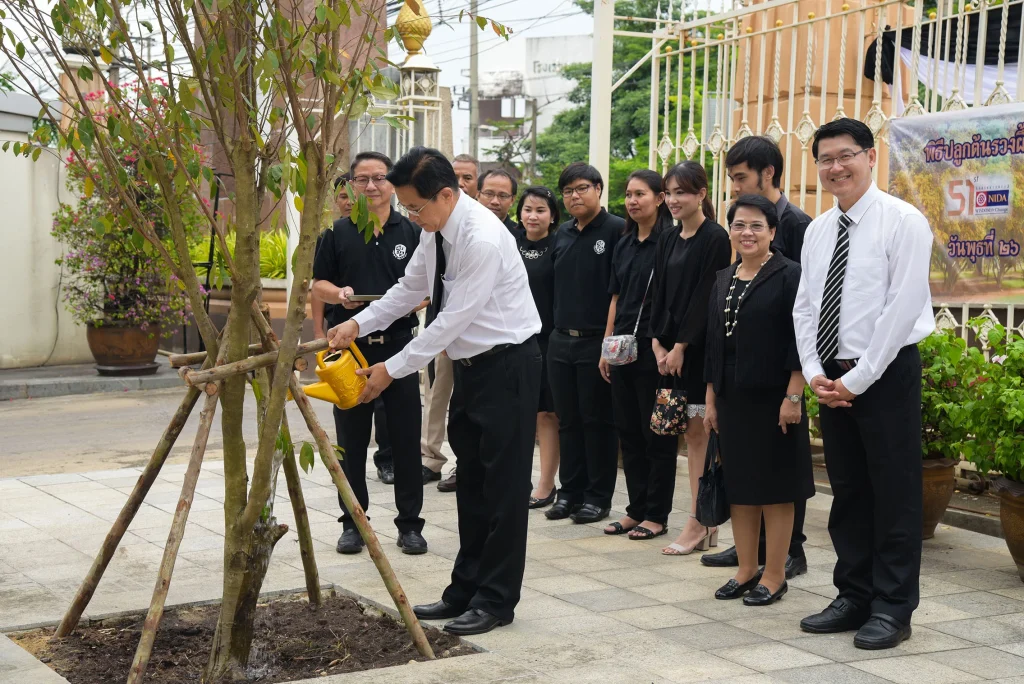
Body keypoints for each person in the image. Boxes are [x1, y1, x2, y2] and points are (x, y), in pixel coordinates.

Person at [327, 146, 542, 637]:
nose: (410, 216)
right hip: (470, 368)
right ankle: (464, 590)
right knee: (472, 485)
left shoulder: (481, 237)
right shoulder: (435, 230)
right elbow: (408, 290)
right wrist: (358, 324)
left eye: (415, 207)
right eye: (406, 207)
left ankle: (496, 599)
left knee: (503, 488)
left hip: (508, 367)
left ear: (447, 194)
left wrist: (390, 369)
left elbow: (450, 321)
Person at [794, 119, 933, 649]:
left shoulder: (904, 221)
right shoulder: (817, 230)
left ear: (871, 157)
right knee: (848, 491)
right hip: (832, 376)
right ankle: (853, 594)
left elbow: (901, 309)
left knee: (894, 492)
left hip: (885, 371)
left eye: (846, 155)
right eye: (825, 159)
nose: (836, 167)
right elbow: (806, 307)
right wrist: (814, 370)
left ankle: (893, 607)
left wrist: (858, 379)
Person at [702, 135, 813, 578]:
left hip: (774, 394)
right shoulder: (724, 277)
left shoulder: (790, 270)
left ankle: (778, 569)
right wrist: (711, 398)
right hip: (733, 396)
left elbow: (800, 334)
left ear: (772, 231)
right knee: (742, 485)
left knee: (777, 487)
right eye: (738, 225)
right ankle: (747, 568)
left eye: (756, 226)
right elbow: (715, 341)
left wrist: (794, 394)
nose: (746, 233)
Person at [312, 152, 426, 556]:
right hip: (350, 350)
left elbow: (431, 287)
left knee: (405, 440)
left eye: (380, 177)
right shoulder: (337, 233)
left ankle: (410, 525)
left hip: (400, 349)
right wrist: (339, 294)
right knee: (351, 441)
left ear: (393, 182)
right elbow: (318, 284)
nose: (372, 186)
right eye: (363, 179)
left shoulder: (414, 232)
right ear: (351, 186)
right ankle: (353, 524)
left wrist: (416, 302)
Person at [649, 161, 731, 556]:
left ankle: (700, 521)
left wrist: (682, 345)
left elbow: (706, 297)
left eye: (682, 191)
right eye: (669, 192)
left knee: (699, 435)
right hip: (669, 351)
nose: (673, 199)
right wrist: (657, 342)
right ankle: (705, 521)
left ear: (701, 194)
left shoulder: (715, 237)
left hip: (698, 350)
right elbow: (659, 292)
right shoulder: (667, 236)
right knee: (686, 434)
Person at [545, 162, 625, 525]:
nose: (574, 196)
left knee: (598, 422)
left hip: (597, 342)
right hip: (561, 340)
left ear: (598, 189)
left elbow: (620, 292)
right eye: (568, 191)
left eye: (581, 188)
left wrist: (608, 344)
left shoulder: (617, 230)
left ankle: (597, 497)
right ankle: (569, 492)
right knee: (568, 421)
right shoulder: (561, 233)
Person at [599, 170, 676, 541]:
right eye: (628, 194)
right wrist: (606, 345)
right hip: (621, 349)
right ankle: (635, 509)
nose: (632, 201)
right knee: (628, 433)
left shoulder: (671, 241)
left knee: (656, 435)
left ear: (660, 199)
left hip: (654, 350)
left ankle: (657, 515)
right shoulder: (625, 242)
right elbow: (615, 297)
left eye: (640, 194)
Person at [313, 173, 395, 486]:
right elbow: (318, 286)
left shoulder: (396, 231)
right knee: (349, 410)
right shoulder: (333, 234)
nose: (349, 202)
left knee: (388, 411)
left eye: (353, 195)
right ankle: (351, 498)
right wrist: (321, 325)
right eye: (342, 196)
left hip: (392, 339)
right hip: (345, 340)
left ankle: (388, 460)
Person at [516, 186, 561, 508]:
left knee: (546, 413)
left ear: (553, 216)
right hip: (511, 339)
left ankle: (546, 484)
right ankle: (516, 480)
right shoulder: (508, 242)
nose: (533, 216)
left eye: (540, 210)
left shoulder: (560, 244)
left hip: (547, 338)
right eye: (528, 209)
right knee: (518, 413)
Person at [479, 169, 522, 238]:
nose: (495, 201)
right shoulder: (463, 230)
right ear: (478, 195)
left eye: (503, 196)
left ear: (512, 200)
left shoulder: (523, 237)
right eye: (489, 194)